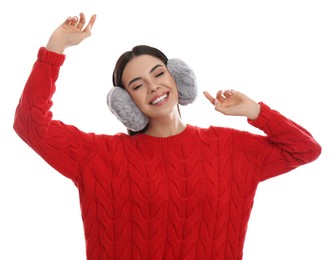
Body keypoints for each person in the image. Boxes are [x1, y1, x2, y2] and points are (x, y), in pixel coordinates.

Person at [13, 13, 321, 260]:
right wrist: (56, 47)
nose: (153, 87)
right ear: (125, 103)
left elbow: (305, 149)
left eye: (159, 74)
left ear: (178, 78)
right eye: (137, 85)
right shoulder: (98, 156)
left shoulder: (229, 148)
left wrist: (255, 111)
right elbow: (30, 124)